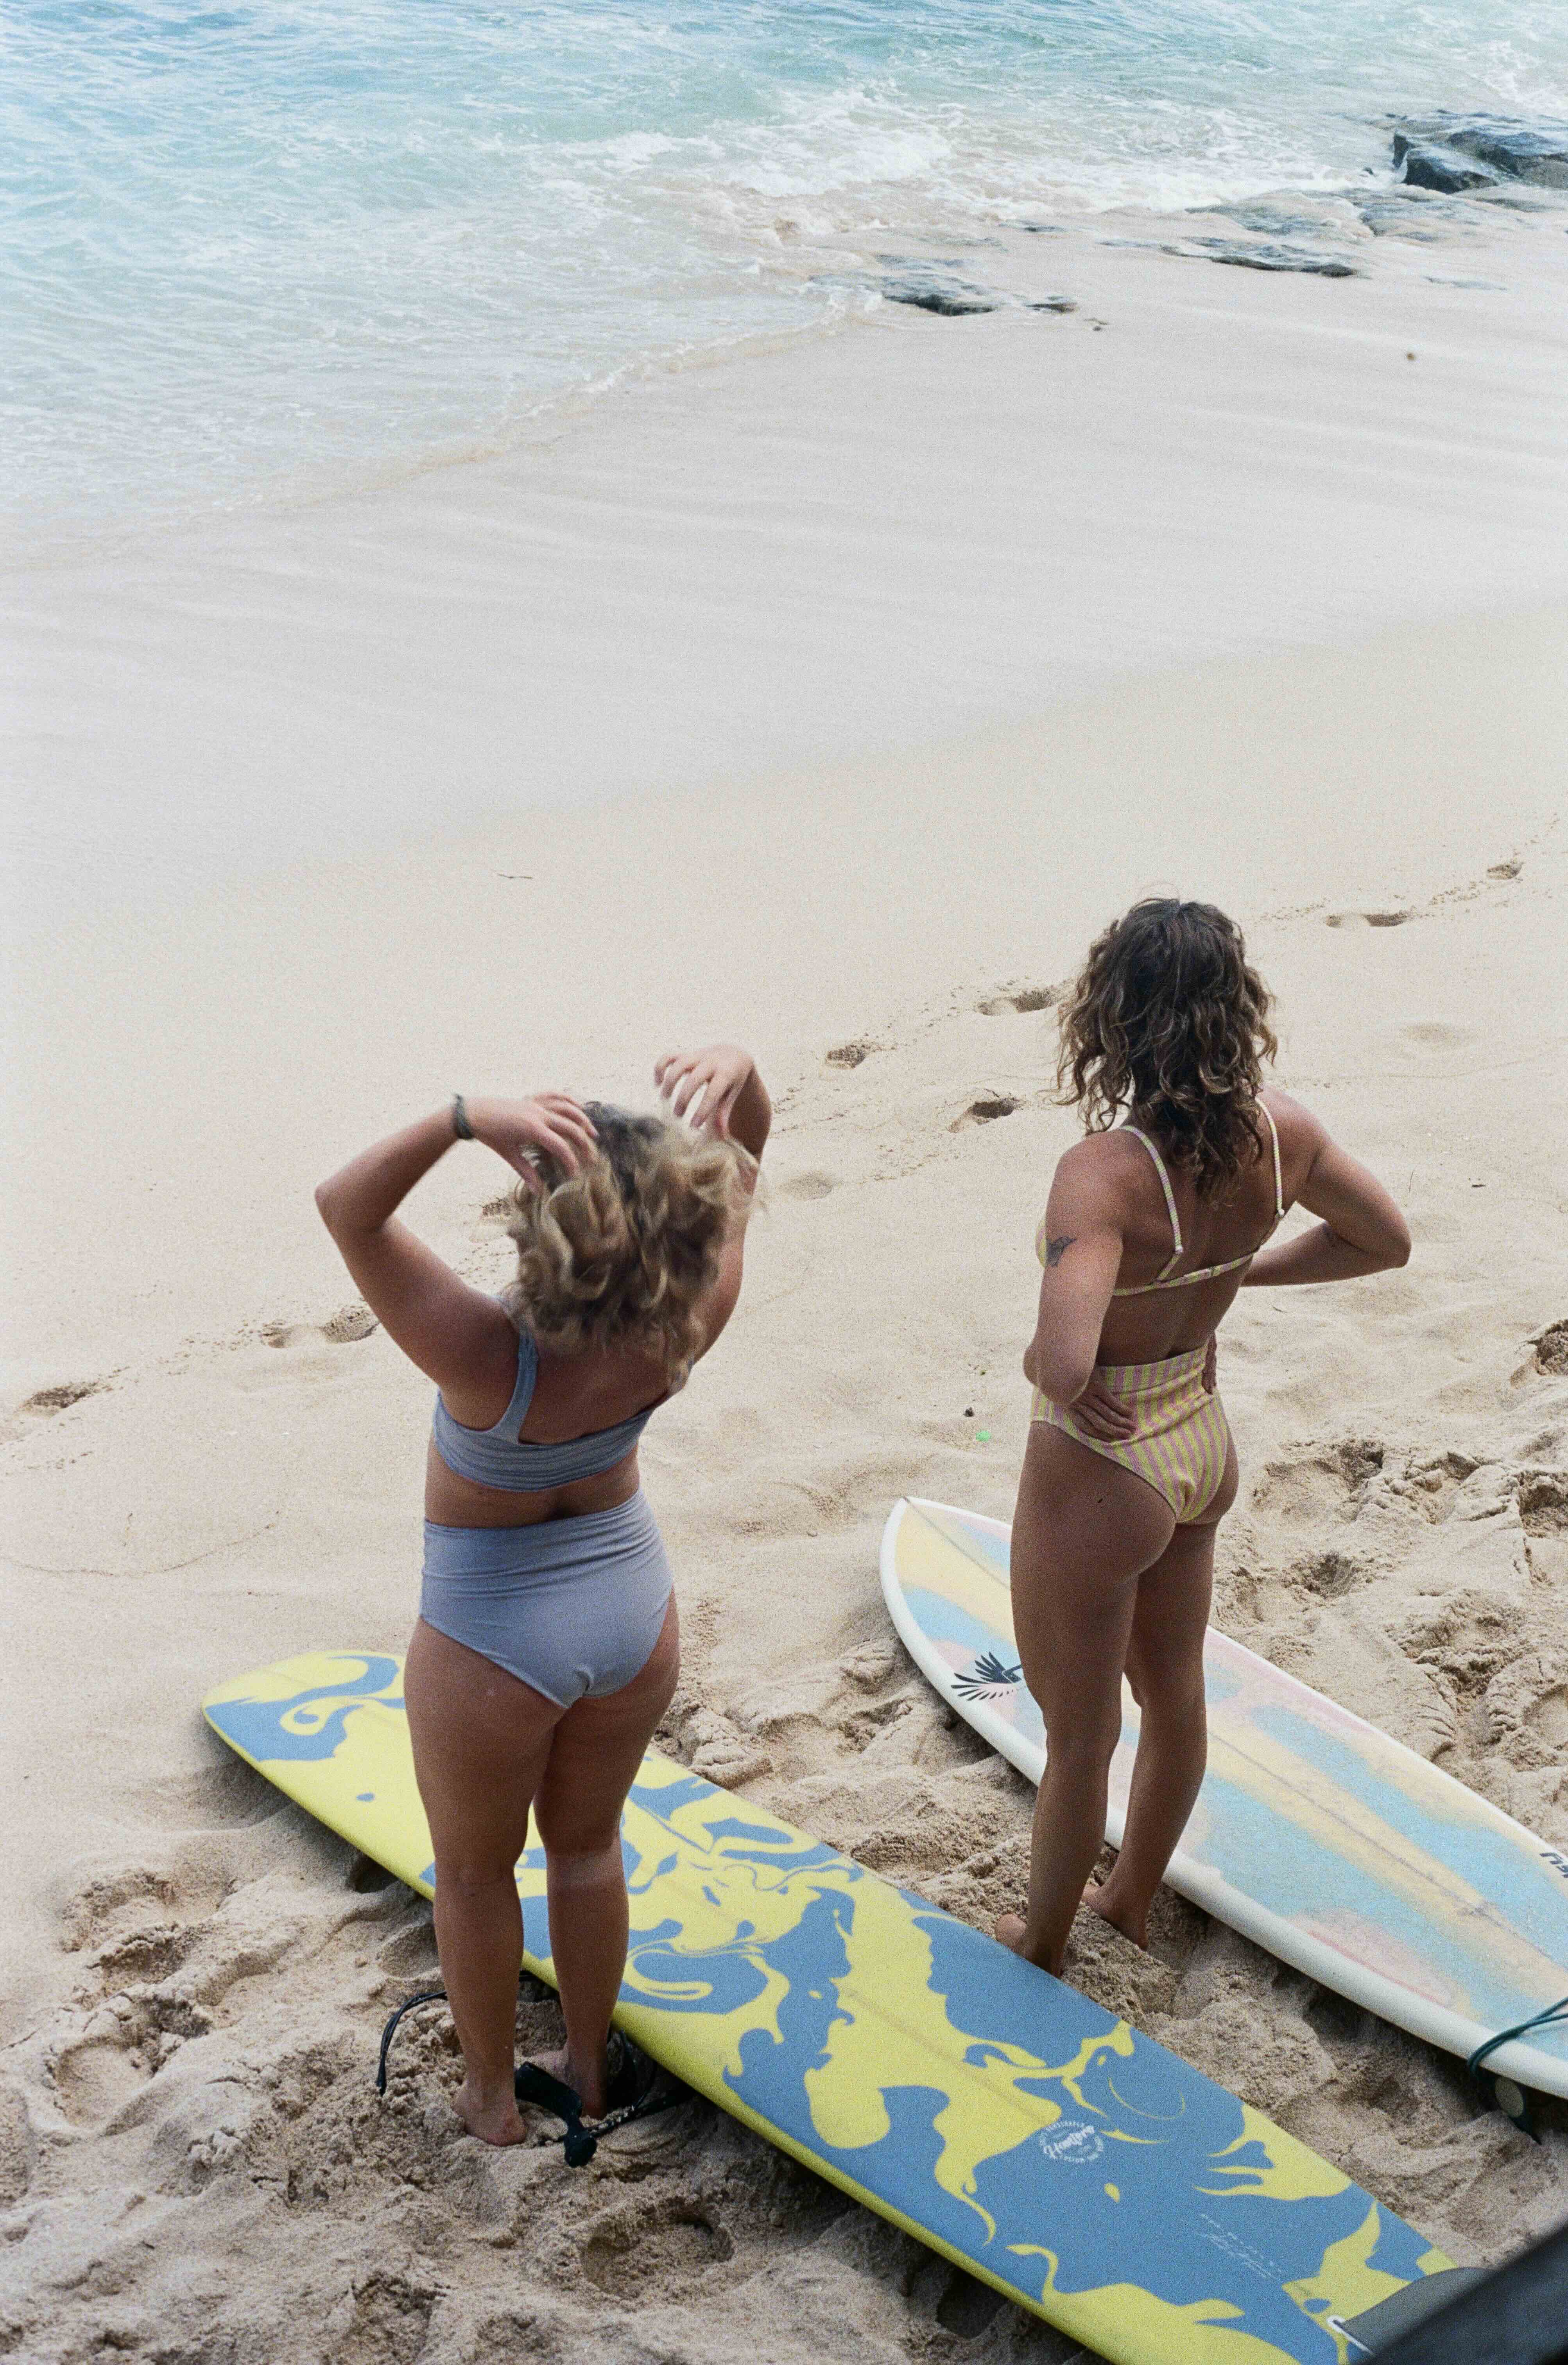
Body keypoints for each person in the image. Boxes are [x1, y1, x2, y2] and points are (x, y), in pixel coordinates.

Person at [314, 1042, 769, 2144]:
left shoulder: (484, 1354)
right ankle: (587, 2067)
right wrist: (741, 1076)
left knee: (474, 1874)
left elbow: (347, 1208)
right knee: (586, 1848)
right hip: (628, 1605)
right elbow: (746, 1151)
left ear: (549, 1233)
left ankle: (488, 2099)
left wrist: (465, 1116)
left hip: (492, 1641)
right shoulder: (692, 1314)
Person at [1001, 899, 1409, 1976]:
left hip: (1102, 1468)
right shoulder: (1285, 1134)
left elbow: (1065, 1363)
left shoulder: (1102, 1174)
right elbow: (1383, 1241)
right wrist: (1234, 1272)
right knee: (1172, 1694)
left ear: (1111, 1023)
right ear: (1235, 1012)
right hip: (1197, 1442)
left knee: (1076, 1737)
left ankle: (1039, 1941)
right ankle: (1128, 1897)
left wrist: (1039, 1365)